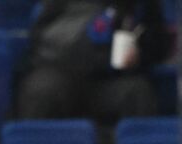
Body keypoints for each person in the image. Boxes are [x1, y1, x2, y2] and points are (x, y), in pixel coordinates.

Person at [16, 0, 169, 124]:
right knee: (41, 91)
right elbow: (39, 38)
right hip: (61, 73)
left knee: (138, 92)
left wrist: (139, 54)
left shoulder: (139, 4)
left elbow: (158, 44)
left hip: (109, 81)